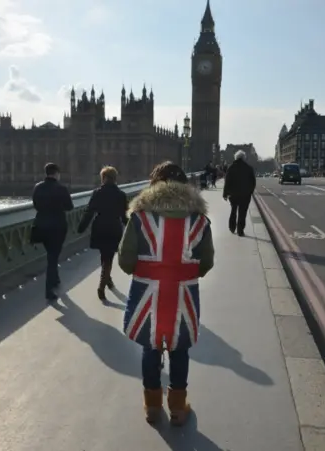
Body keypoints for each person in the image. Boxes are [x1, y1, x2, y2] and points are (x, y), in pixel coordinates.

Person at [118, 161, 214, 426]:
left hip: (147, 294)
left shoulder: (139, 218)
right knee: (179, 349)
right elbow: (206, 263)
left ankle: (152, 405)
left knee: (150, 347)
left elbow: (126, 261)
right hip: (183, 295)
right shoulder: (200, 222)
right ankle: (178, 408)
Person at [77, 166, 128, 301]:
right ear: (115, 178)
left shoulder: (97, 193)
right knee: (109, 257)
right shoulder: (121, 195)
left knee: (104, 255)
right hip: (114, 227)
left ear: (104, 178)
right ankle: (103, 284)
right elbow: (124, 216)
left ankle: (106, 281)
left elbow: (89, 212)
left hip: (100, 226)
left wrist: (81, 227)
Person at [31, 163, 74, 301]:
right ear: (56, 173)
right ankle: (49, 291)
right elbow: (69, 207)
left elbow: (35, 205)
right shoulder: (61, 188)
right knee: (52, 257)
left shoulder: (38, 187)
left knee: (51, 255)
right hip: (57, 227)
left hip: (41, 226)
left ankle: (55, 279)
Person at [222, 150, 256, 236]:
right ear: (244, 158)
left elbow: (227, 182)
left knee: (233, 210)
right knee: (242, 213)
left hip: (233, 194)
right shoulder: (249, 168)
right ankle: (240, 230)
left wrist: (225, 194)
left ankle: (232, 227)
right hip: (245, 195)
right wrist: (250, 192)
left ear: (236, 158)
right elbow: (253, 182)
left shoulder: (231, 167)